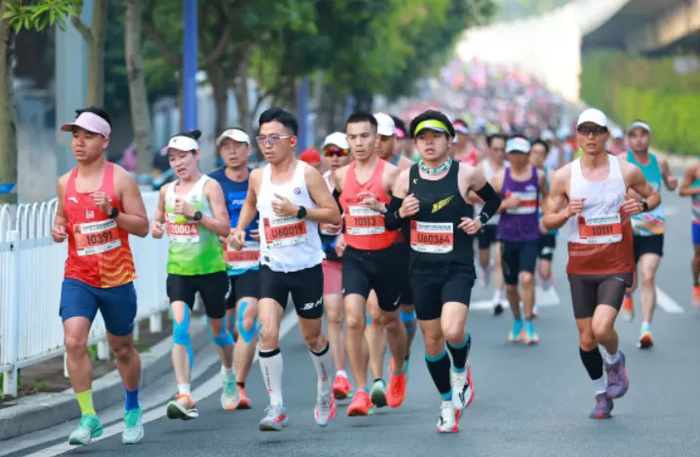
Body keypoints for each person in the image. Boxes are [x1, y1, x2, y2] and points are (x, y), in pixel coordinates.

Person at [386, 110, 502, 432]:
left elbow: (493, 200)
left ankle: (461, 370)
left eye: (436, 136)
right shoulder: (405, 178)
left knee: (452, 330)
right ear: (415, 143)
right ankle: (447, 402)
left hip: (456, 267)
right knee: (433, 341)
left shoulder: (466, 174)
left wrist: (479, 222)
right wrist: (401, 212)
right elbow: (390, 222)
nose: (429, 143)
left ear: (449, 140)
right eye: (422, 138)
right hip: (421, 269)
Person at [543, 108, 660, 419]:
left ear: (607, 135)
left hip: (615, 262)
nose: (591, 137)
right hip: (581, 265)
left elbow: (654, 196)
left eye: (597, 131)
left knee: (601, 327)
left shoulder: (626, 171)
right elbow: (547, 220)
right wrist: (566, 213)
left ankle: (614, 359)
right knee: (586, 338)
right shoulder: (564, 176)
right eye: (585, 131)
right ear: (577, 135)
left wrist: (642, 205)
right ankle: (600, 394)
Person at [230, 107, 341, 431]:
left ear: (291, 141)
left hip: (306, 267)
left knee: (312, 337)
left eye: (274, 138)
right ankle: (276, 406)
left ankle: (325, 388)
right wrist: (239, 228)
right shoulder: (257, 176)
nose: (267, 144)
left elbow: (333, 214)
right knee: (267, 333)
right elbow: (251, 202)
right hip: (271, 266)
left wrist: (299, 211)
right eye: (262, 138)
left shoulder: (307, 175)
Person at [53, 106, 149, 445]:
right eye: (75, 136)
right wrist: (58, 228)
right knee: (74, 341)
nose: (79, 143)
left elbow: (143, 226)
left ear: (105, 141)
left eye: (88, 136)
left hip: (116, 277)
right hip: (78, 276)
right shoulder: (65, 182)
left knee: (122, 349)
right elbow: (63, 217)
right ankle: (89, 417)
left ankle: (132, 407)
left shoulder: (120, 179)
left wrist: (113, 212)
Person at [151, 130, 236, 418]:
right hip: (179, 270)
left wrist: (195, 214)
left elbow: (225, 228)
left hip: (211, 270)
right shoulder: (166, 190)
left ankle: (228, 371)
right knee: (179, 328)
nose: (177, 163)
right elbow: (158, 219)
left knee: (218, 332)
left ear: (196, 155)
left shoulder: (209, 186)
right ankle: (185, 393)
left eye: (182, 157)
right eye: (172, 159)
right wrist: (156, 227)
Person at [331, 112, 408, 416]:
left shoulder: (392, 175)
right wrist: (337, 229)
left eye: (365, 136)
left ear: (376, 138)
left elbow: (401, 219)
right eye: (353, 137)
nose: (359, 143)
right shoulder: (340, 176)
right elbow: (335, 211)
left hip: (388, 256)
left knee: (389, 320)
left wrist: (382, 208)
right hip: (355, 256)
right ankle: (361, 391)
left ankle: (398, 369)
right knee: (353, 319)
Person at [209, 127, 260, 408]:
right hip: (219, 263)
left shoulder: (260, 179)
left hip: (253, 262)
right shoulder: (211, 183)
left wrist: (266, 232)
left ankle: (239, 386)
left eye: (237, 145)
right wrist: (218, 234)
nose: (232, 151)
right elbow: (199, 220)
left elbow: (276, 214)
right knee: (224, 328)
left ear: (249, 150)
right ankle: (228, 371)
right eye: (226, 146)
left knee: (247, 320)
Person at [620, 120, 678, 349]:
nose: (638, 139)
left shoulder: (659, 162)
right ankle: (627, 296)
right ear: (629, 139)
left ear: (649, 137)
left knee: (648, 275)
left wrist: (671, 183)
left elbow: (669, 184)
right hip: (627, 229)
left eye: (642, 134)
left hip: (653, 229)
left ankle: (646, 328)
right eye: (633, 135)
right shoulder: (622, 161)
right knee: (629, 284)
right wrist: (628, 195)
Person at [492, 136, 547, 344]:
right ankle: (517, 321)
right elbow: (489, 206)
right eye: (513, 153)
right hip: (507, 237)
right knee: (511, 287)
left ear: (527, 155)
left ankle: (529, 324)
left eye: (521, 153)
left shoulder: (538, 176)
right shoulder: (500, 177)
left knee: (527, 278)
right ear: (508, 154)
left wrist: (545, 218)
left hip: (530, 236)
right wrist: (505, 205)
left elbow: (547, 198)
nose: (516, 157)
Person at [319, 132, 354, 399]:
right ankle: (341, 375)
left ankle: (365, 377)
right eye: (329, 153)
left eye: (339, 153)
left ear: (349, 155)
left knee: (356, 319)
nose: (334, 158)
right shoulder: (317, 184)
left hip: (358, 259)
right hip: (327, 258)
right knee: (333, 315)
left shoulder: (357, 181)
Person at [473, 133, 507, 314]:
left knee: (500, 258)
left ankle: (497, 297)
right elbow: (469, 193)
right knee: (484, 259)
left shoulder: (510, 168)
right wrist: (490, 199)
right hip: (484, 220)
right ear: (489, 150)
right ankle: (485, 269)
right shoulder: (481, 168)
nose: (499, 153)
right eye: (496, 149)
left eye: (502, 149)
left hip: (504, 221)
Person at [529, 139, 557, 295]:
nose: (537, 156)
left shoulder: (552, 175)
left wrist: (546, 219)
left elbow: (557, 201)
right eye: (534, 152)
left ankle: (545, 275)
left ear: (546, 156)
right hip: (526, 226)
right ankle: (530, 300)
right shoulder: (521, 174)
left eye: (541, 153)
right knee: (527, 269)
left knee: (544, 269)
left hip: (547, 226)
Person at [678, 158, 700, 308]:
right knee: (698, 257)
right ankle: (696, 285)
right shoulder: (694, 169)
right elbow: (682, 191)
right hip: (698, 221)